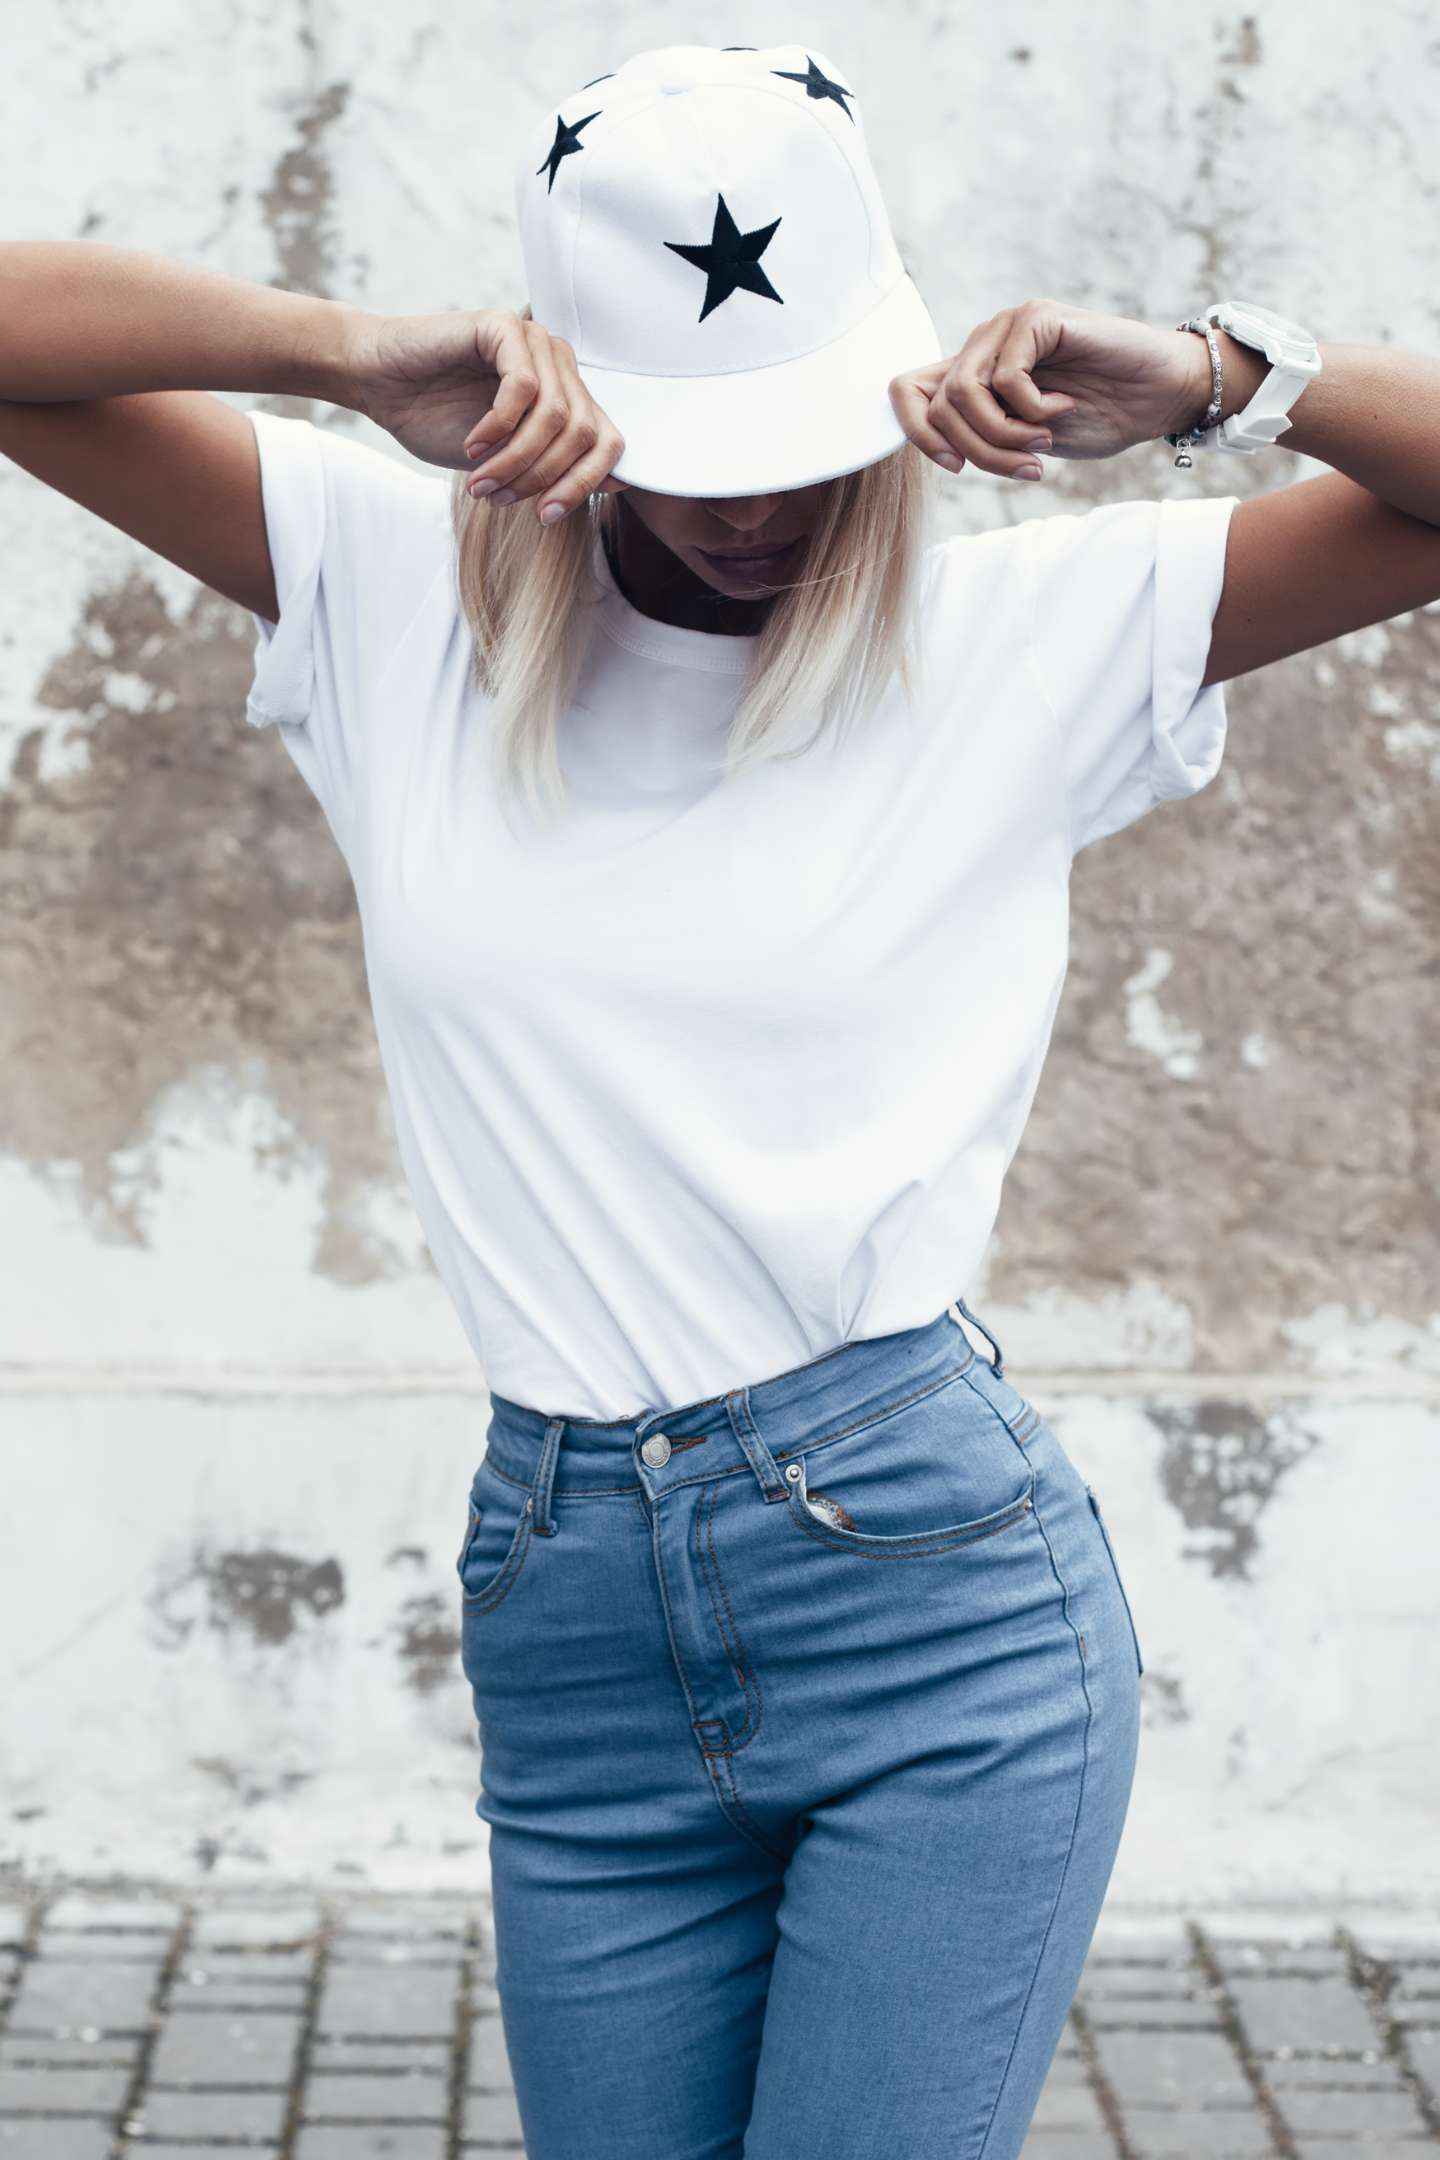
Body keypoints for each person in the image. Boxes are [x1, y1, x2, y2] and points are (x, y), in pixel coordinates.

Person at [4, 34, 1437, 2160]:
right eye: (695, 441)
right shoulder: (389, 596)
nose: (761, 501)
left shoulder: (1029, 633)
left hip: (932, 1611)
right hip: (570, 1617)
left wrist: (1230, 372)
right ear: (559, 392)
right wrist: (344, 354)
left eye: (801, 432)